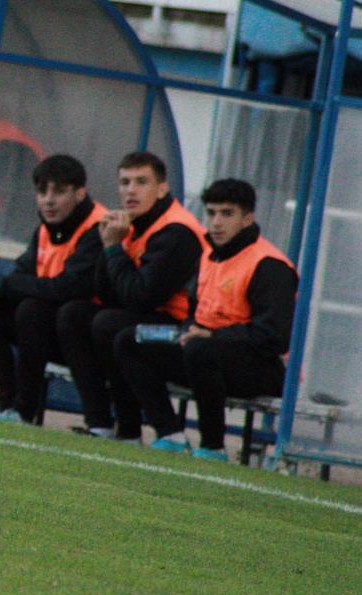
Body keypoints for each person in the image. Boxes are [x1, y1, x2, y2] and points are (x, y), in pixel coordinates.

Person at [114, 178, 296, 460]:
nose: (216, 222)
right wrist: (188, 330)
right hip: (205, 353)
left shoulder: (269, 265)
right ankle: (169, 433)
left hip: (260, 368)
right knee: (130, 339)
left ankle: (213, 446)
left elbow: (272, 337)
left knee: (200, 349)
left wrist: (211, 337)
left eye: (227, 214)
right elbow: (195, 312)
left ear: (247, 218)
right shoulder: (209, 254)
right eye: (211, 213)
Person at [56, 151, 206, 441]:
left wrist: (113, 248)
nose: (131, 190)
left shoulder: (176, 232)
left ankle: (140, 429)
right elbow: (108, 293)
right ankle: (99, 424)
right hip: (148, 317)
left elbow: (140, 297)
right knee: (73, 315)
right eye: (124, 182)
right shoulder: (134, 223)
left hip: (182, 329)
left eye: (141, 182)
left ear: (161, 188)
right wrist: (109, 244)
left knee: (110, 324)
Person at [0, 154, 108, 424]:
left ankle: (25, 411)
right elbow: (23, 275)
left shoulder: (97, 227)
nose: (48, 200)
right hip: (53, 326)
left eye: (59, 192)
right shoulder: (44, 229)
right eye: (42, 191)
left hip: (88, 332)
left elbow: (69, 288)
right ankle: (8, 407)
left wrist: (0, 284)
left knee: (31, 310)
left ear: (80, 193)